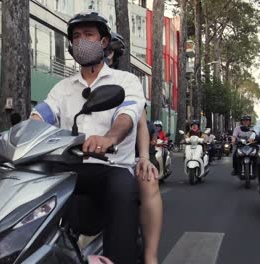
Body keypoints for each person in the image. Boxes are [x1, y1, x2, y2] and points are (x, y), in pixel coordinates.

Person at [0, 11, 144, 263]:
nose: (81, 40)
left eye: (88, 34)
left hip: (109, 168)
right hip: (68, 169)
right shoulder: (62, 88)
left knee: (122, 186)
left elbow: (126, 116)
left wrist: (109, 139)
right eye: (76, 36)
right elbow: (38, 119)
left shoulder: (126, 81)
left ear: (104, 42)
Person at [107, 32, 162, 264]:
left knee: (148, 179)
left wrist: (144, 156)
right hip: (80, 159)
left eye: (109, 50)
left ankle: (150, 255)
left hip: (122, 159)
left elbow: (139, 121)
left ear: (114, 54)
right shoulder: (74, 84)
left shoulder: (127, 82)